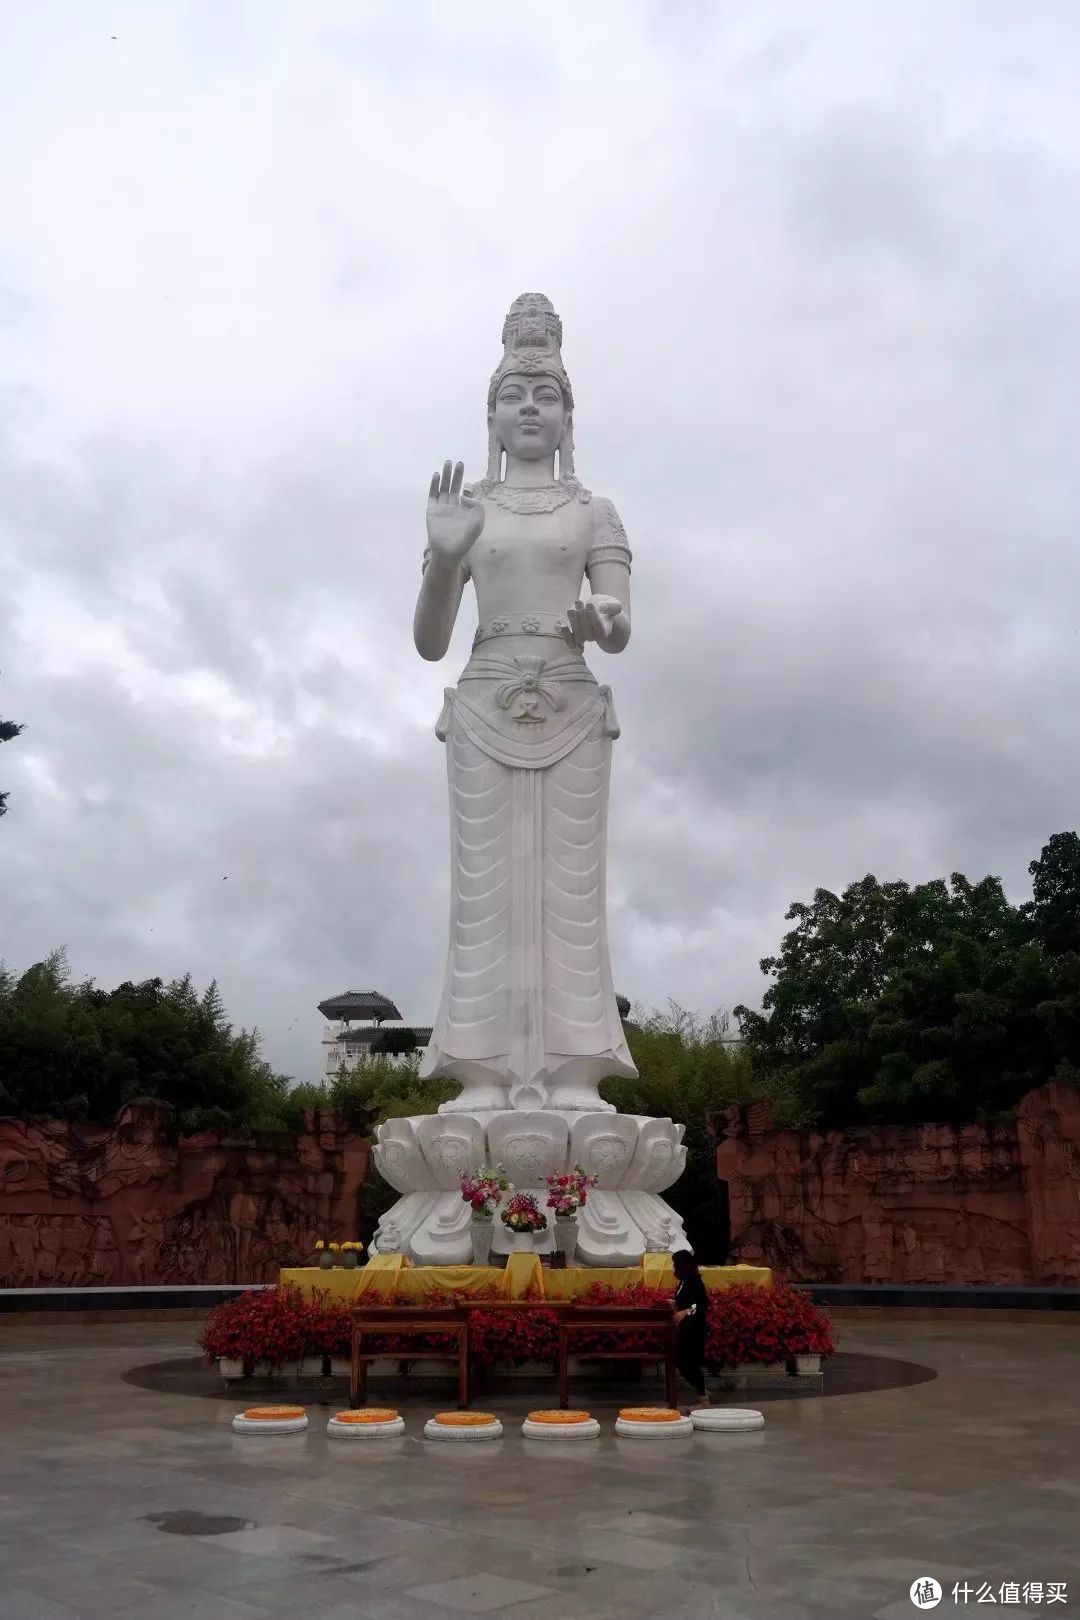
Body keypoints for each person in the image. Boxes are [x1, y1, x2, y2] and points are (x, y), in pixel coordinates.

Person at [672, 1249, 712, 1411]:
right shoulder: (684, 1282)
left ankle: (703, 1400)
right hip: (685, 1328)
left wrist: (685, 1311)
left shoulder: (695, 1282)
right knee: (680, 1361)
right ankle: (702, 1390)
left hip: (694, 1328)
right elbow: (685, 1301)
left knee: (690, 1362)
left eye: (676, 1264)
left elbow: (701, 1305)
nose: (674, 1267)